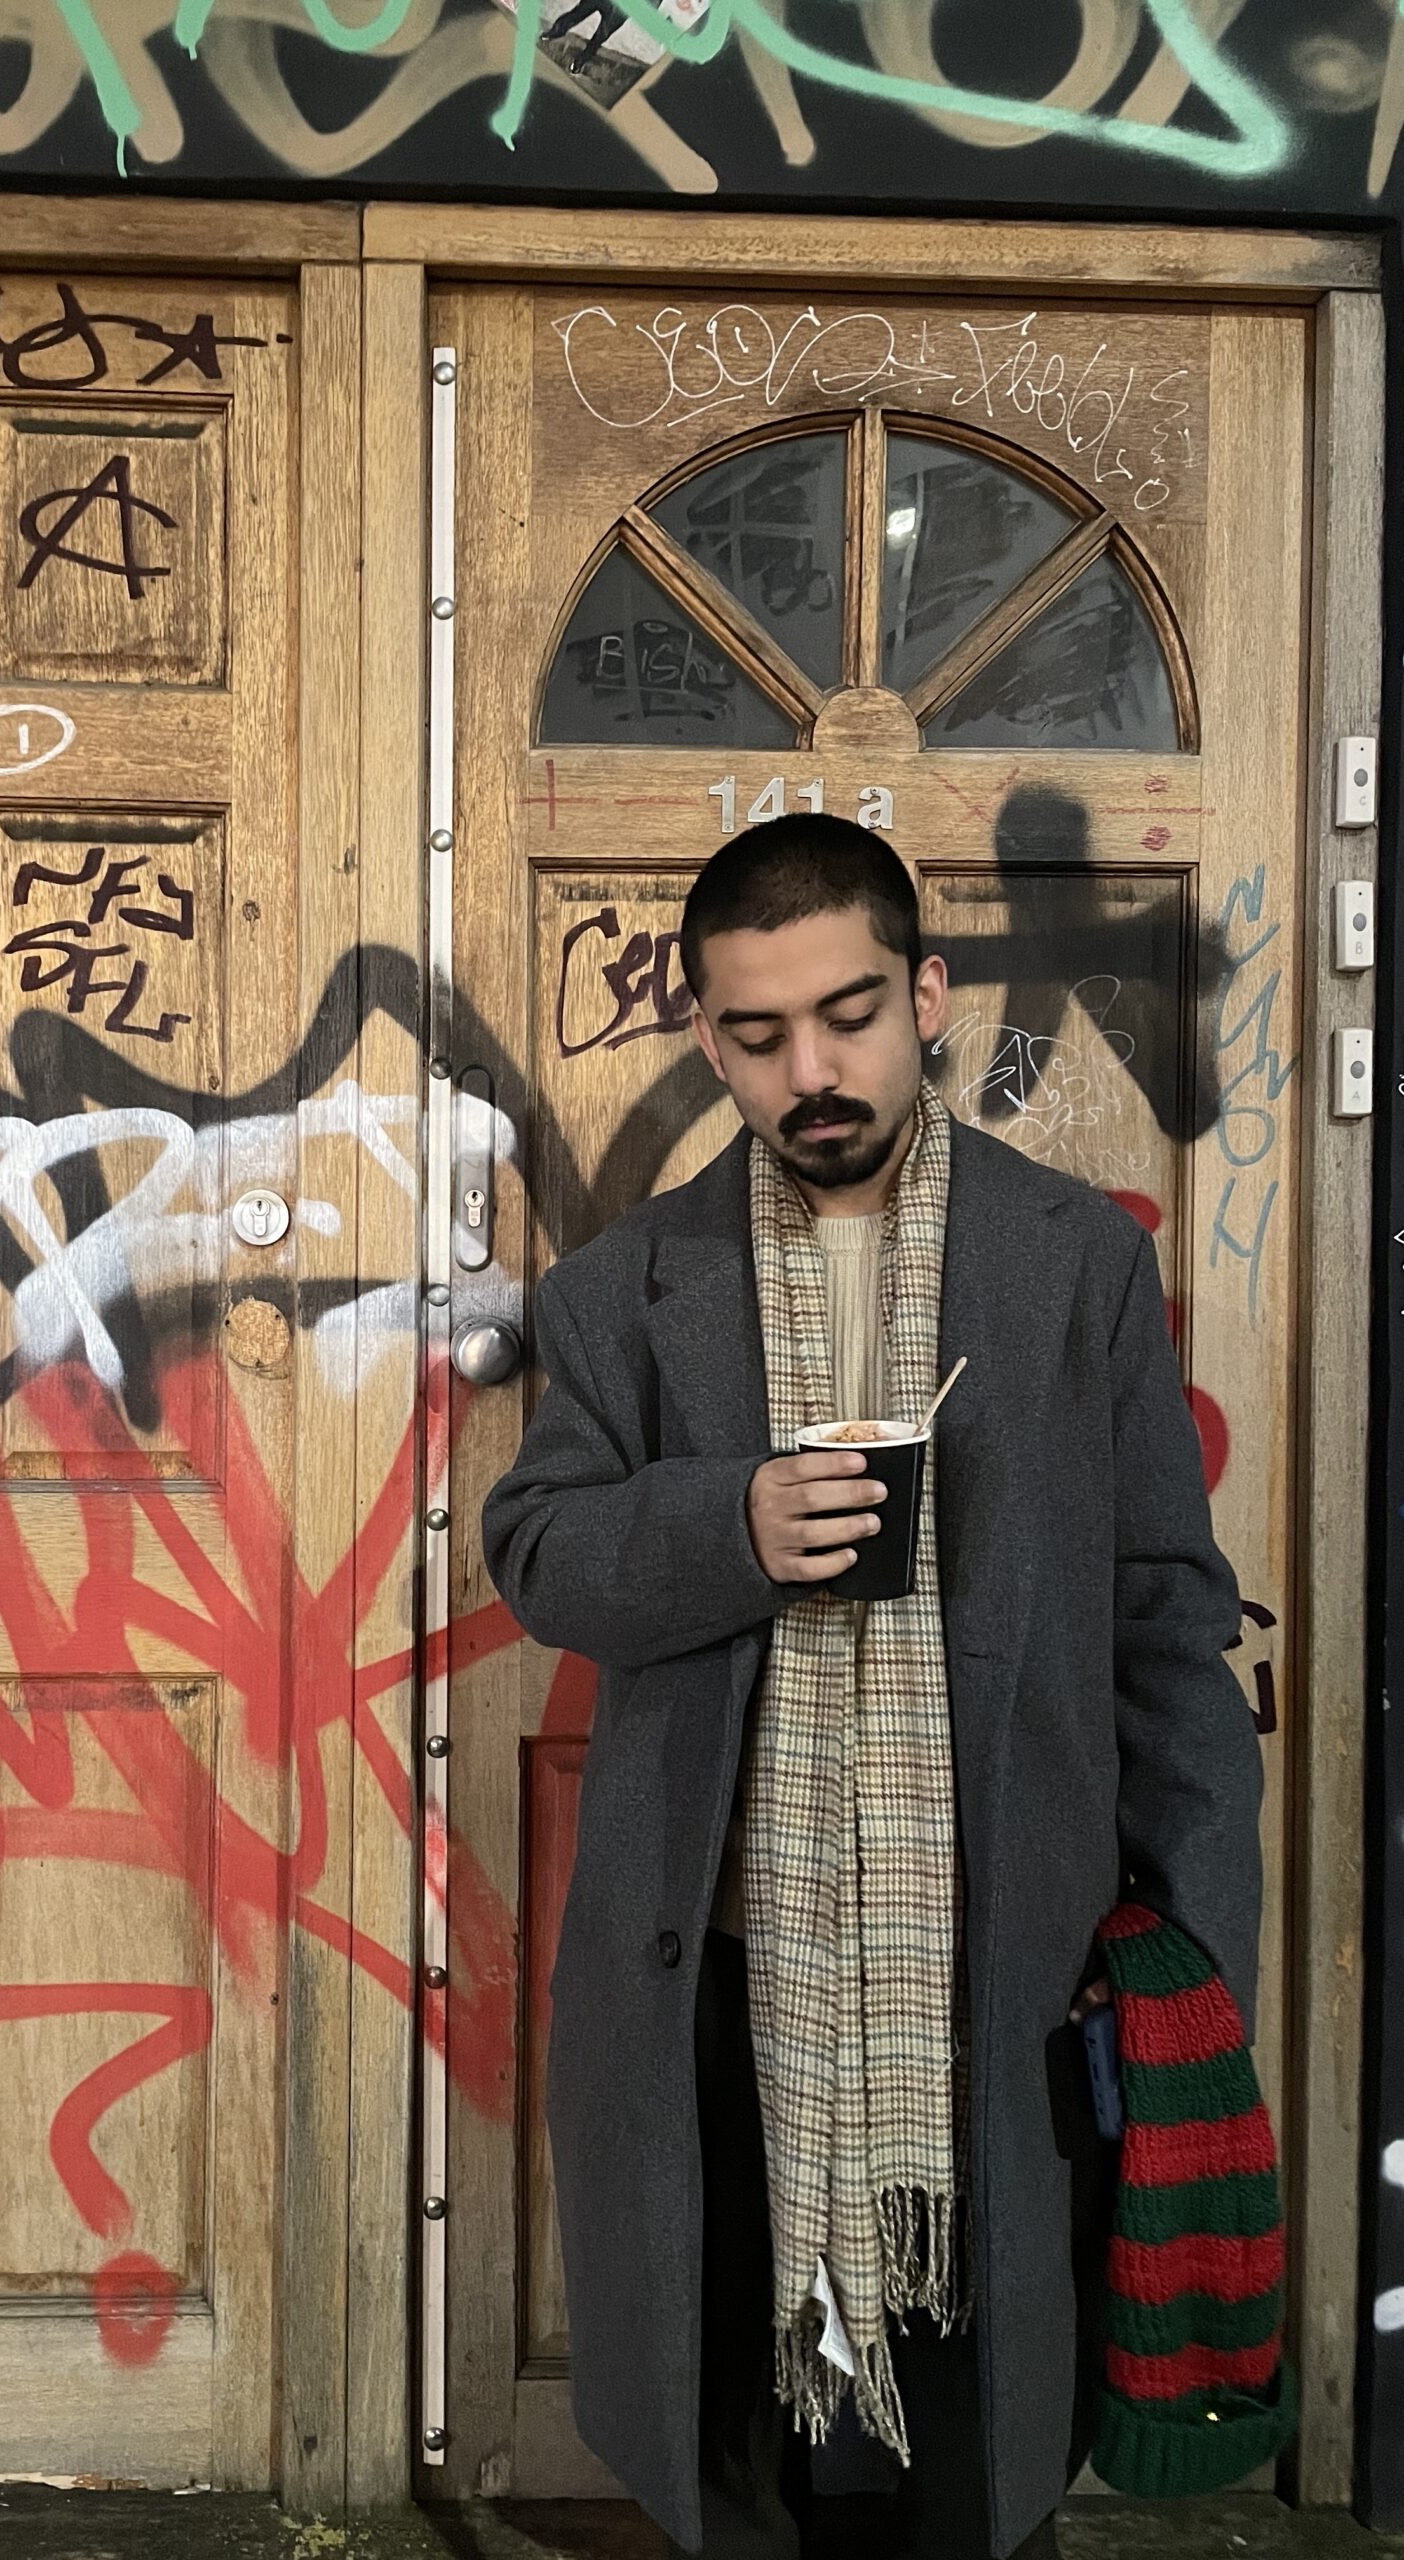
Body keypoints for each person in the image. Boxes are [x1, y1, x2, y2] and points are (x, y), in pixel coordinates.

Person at [483, 813, 1263, 2560]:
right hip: (718, 1978)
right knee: (738, 2464)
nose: (810, 1072)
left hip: (1009, 1975)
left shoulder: (1075, 1268)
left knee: (983, 2475)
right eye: (757, 1037)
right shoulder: (625, 1293)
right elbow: (535, 1552)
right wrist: (732, 1522)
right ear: (708, 1037)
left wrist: (1194, 1968)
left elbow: (1163, 1623)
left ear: (927, 996)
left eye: (847, 1017)